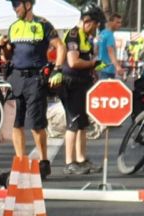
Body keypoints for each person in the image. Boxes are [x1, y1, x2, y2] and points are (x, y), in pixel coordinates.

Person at [4, 0, 67, 178]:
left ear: (28, 5)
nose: (14, 8)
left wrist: (58, 70)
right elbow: (8, 55)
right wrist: (4, 48)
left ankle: (43, 161)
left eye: (17, 4)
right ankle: (21, 161)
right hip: (16, 77)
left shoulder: (43, 24)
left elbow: (60, 46)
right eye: (13, 5)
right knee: (17, 123)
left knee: (36, 124)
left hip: (35, 78)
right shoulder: (13, 27)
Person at [59, 4, 105, 176]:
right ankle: (69, 162)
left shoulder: (87, 37)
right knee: (73, 122)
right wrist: (93, 64)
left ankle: (81, 159)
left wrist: (92, 71)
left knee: (82, 124)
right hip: (71, 84)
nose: (96, 28)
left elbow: (85, 58)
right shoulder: (73, 35)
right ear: (87, 21)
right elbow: (73, 62)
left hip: (83, 83)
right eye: (96, 24)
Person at [96, 13, 122, 79]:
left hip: (100, 68)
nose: (119, 25)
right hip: (108, 70)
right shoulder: (110, 35)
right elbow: (111, 52)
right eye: (117, 22)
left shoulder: (102, 33)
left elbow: (96, 49)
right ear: (110, 22)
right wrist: (118, 67)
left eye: (120, 23)